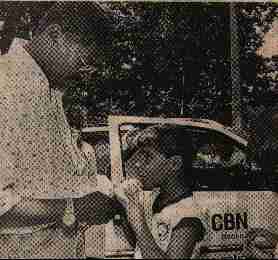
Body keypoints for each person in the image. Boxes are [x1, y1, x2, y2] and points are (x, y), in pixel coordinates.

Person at [0, 2, 129, 258]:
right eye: (84, 62)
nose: (86, 75)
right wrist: (74, 208)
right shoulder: (6, 86)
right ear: (55, 35)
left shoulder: (51, 94)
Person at [114, 125, 205, 258]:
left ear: (174, 164)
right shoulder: (156, 197)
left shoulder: (188, 216)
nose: (139, 164)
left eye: (148, 157)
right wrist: (125, 211)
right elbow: (143, 246)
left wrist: (137, 219)